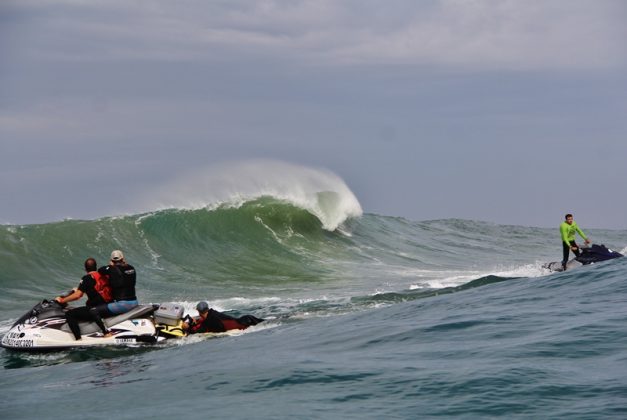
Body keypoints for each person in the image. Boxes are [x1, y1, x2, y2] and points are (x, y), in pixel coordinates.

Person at [55, 258, 112, 340]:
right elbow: (96, 290)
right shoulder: (103, 276)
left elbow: (78, 295)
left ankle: (78, 339)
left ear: (85, 269)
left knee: (69, 314)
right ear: (96, 267)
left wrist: (62, 300)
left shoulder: (86, 278)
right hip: (107, 307)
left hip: (95, 309)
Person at [183, 301, 263, 334]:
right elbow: (206, 321)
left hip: (246, 323)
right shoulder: (212, 313)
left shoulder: (209, 321)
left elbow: (195, 332)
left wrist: (187, 327)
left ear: (199, 311)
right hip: (245, 319)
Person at [98, 250, 138, 315]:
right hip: (134, 301)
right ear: (122, 258)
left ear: (111, 260)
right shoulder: (131, 268)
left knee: (94, 311)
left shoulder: (112, 269)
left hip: (123, 304)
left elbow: (100, 270)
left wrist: (110, 265)